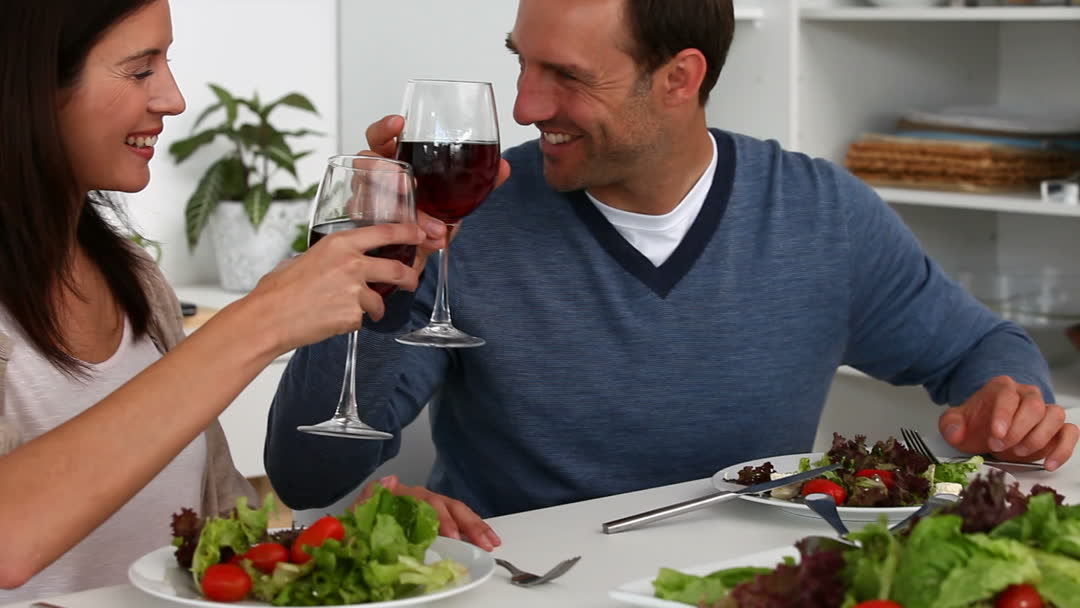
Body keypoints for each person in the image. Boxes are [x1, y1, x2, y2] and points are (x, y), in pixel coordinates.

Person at [266, 0, 1079, 549]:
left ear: (679, 79)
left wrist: (1010, 403)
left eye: (567, 76)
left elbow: (978, 347)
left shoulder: (821, 215)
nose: (523, 107)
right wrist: (377, 265)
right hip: (526, 584)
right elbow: (307, 475)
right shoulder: (468, 219)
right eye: (521, 63)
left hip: (747, 583)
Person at [0, 0, 426, 600]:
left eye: (165, 64)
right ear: (26, 83)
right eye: (140, 69)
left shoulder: (134, 281)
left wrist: (348, 540)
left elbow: (220, 541)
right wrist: (261, 319)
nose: (173, 99)